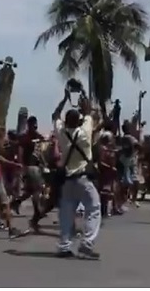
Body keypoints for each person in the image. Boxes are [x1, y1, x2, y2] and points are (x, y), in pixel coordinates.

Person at [53, 89, 101, 260]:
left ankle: (65, 246)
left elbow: (55, 114)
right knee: (93, 208)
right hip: (83, 178)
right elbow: (88, 113)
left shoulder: (62, 133)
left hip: (67, 180)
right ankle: (87, 244)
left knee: (66, 213)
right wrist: (83, 96)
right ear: (78, 121)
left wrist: (65, 98)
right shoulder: (85, 133)